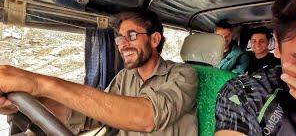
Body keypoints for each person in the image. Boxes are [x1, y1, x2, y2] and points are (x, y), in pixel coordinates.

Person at [0, 9, 198, 135]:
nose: (123, 44)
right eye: (120, 38)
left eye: (131, 35)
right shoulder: (124, 78)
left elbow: (147, 117)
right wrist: (26, 104)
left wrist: (40, 84)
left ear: (154, 40)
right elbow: (93, 115)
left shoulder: (183, 74)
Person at [215, 0, 296, 136]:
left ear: (270, 44)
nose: (257, 45)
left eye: (261, 41)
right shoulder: (247, 91)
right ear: (278, 46)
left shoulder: (242, 57)